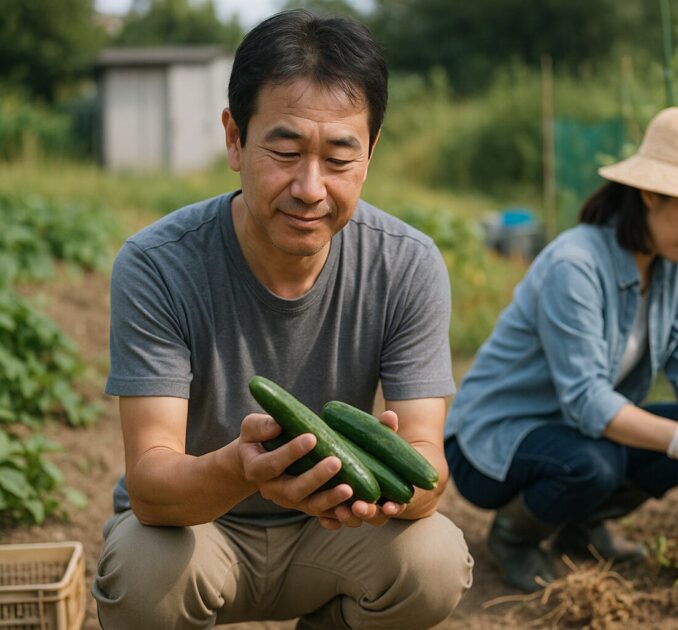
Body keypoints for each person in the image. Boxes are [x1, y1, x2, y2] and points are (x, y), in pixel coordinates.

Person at [92, 10, 473, 628]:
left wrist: (384, 480)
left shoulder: (408, 264)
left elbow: (428, 467)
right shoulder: (158, 264)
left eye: (340, 158)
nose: (310, 187)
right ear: (235, 139)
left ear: (372, 152)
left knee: (433, 560)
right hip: (201, 531)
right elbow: (152, 483)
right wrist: (241, 469)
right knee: (140, 568)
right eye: (286, 149)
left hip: (335, 538)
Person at [444, 106, 678, 593]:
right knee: (598, 464)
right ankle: (514, 537)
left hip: (572, 432)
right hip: (492, 444)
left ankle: (579, 527)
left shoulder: (670, 271)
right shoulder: (574, 265)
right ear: (651, 194)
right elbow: (587, 401)